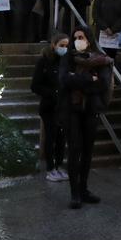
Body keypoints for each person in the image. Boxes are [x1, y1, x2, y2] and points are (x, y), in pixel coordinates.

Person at [59, 28, 112, 208]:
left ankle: (84, 189)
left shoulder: (101, 59)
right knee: (74, 150)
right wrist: (90, 79)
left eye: (81, 37)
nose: (77, 41)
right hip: (71, 110)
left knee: (87, 151)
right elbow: (64, 80)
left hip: (91, 110)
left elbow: (103, 85)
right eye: (75, 38)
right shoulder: (68, 58)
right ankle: (74, 192)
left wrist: (79, 80)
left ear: (89, 40)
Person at [32, 34, 69, 183]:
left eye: (67, 46)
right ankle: (50, 168)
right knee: (51, 137)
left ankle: (59, 165)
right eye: (62, 45)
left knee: (61, 138)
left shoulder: (67, 62)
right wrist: (52, 93)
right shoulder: (44, 61)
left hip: (64, 107)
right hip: (50, 106)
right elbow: (35, 85)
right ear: (54, 45)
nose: (64, 48)